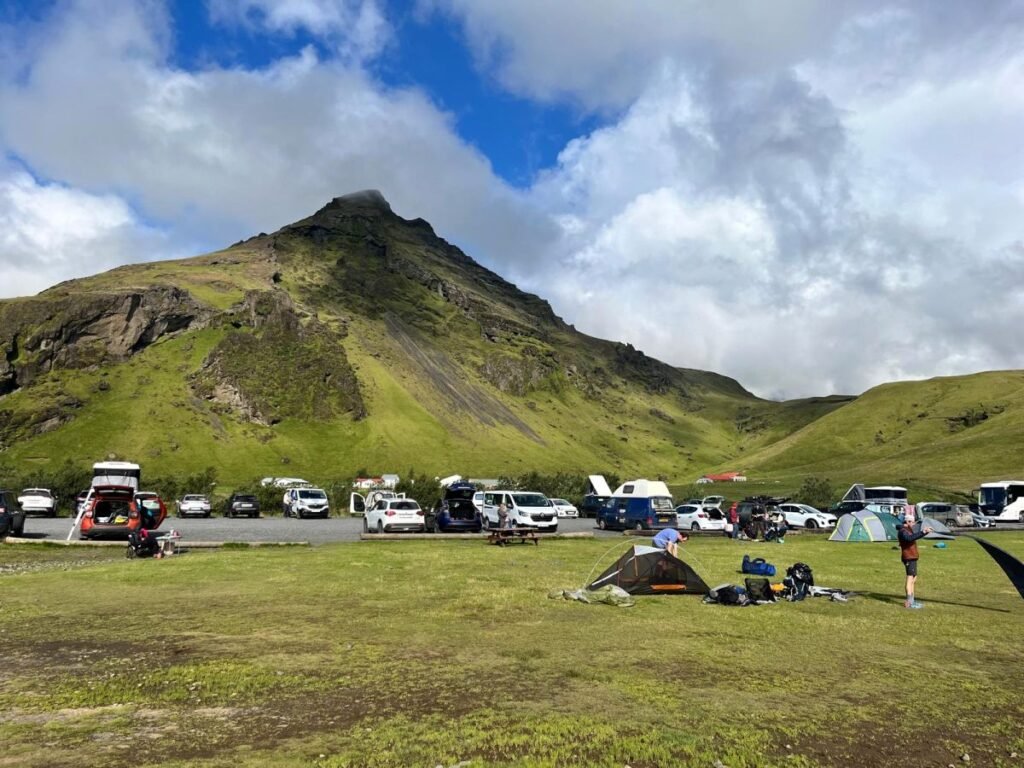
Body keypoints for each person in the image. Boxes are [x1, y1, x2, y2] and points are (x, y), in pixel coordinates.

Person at [898, 510, 933, 609]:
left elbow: (914, 537)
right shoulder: (903, 531)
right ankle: (909, 602)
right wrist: (923, 532)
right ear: (908, 522)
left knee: (914, 578)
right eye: (912, 522)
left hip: (912, 557)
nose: (913, 524)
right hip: (908, 557)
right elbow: (910, 538)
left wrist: (925, 532)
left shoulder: (908, 529)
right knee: (910, 579)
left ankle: (912, 600)